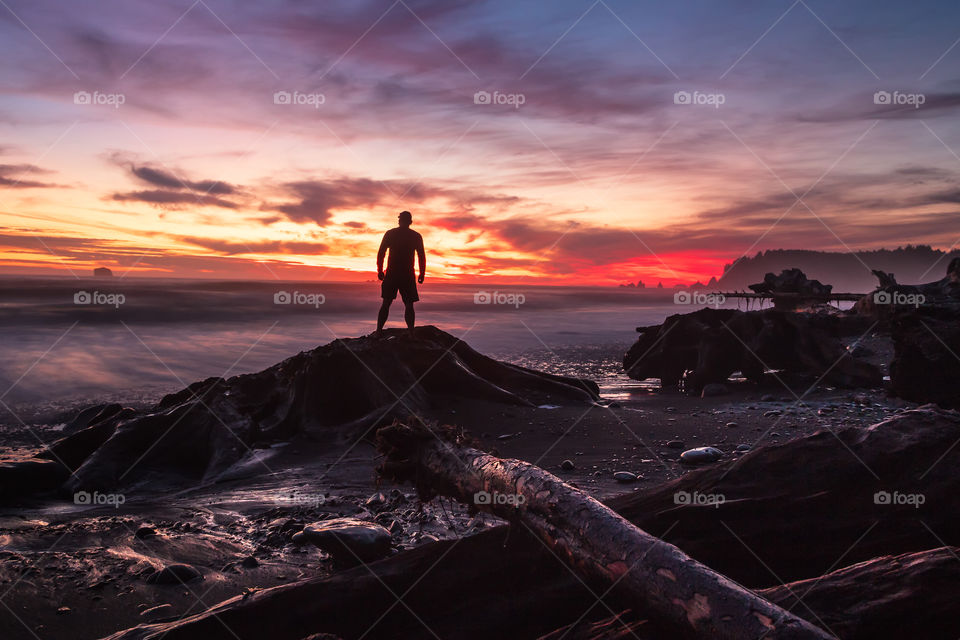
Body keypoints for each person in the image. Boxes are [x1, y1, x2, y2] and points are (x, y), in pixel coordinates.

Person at [376, 210, 425, 337]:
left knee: (386, 303)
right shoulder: (416, 236)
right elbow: (421, 256)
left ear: (399, 220)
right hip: (407, 275)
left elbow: (381, 252)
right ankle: (410, 333)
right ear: (410, 222)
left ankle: (379, 331)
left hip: (392, 273)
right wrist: (422, 273)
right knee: (409, 305)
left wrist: (380, 270)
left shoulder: (390, 234)